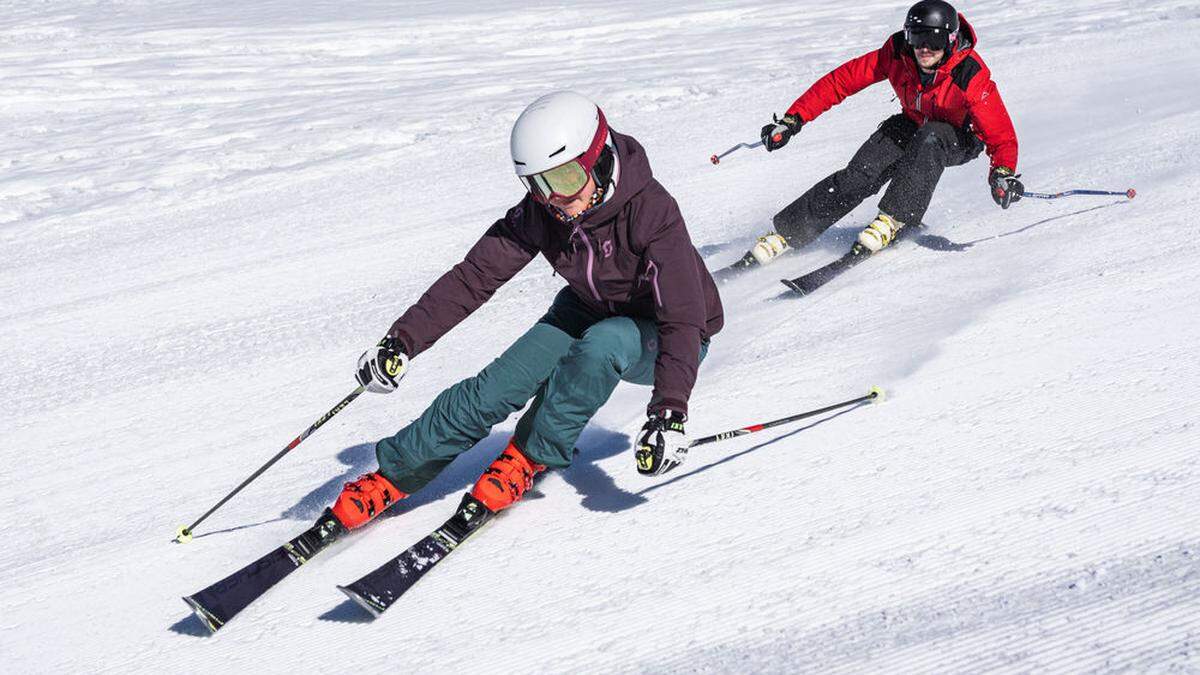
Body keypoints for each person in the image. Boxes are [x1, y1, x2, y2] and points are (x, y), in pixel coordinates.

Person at [327, 91, 724, 531]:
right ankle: (396, 472)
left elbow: (682, 317)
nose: (554, 197)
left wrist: (669, 412)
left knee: (602, 344)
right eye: (537, 184)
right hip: (586, 309)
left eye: (565, 176)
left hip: (665, 334)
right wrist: (401, 341)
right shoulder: (544, 212)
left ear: (600, 158)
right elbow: (473, 276)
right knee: (495, 387)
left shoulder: (652, 210)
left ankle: (529, 455)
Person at [745, 0, 1023, 266]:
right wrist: (794, 119)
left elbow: (1001, 135)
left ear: (950, 40)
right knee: (859, 174)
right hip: (913, 122)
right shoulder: (897, 54)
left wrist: (1002, 173)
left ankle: (895, 219)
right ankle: (790, 232)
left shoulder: (970, 74)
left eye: (934, 40)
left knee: (932, 137)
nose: (924, 48)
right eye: (917, 37)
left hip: (959, 136)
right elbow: (842, 81)